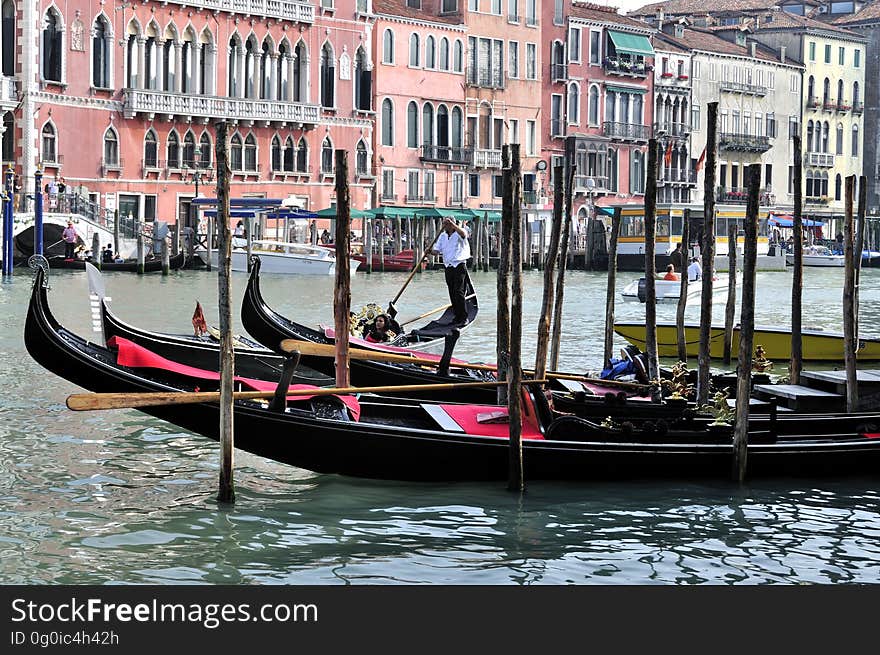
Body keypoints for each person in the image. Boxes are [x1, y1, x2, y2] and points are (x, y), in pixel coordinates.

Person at [432, 217, 471, 326]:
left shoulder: (459, 233)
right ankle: (456, 316)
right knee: (452, 292)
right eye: (444, 224)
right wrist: (429, 251)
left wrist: (453, 224)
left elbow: (464, 234)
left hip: (459, 264)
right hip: (448, 266)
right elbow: (436, 251)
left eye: (446, 224)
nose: (445, 226)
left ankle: (463, 317)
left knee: (459, 291)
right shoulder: (442, 236)